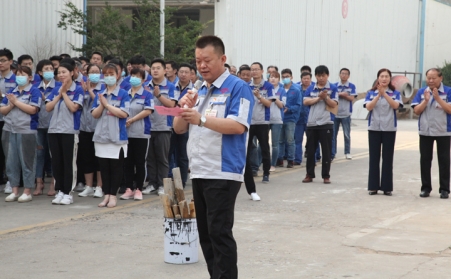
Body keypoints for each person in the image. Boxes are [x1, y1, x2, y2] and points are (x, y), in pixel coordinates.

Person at [173, 35, 253, 279]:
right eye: (198, 61)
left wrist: (201, 119)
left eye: (207, 60)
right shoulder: (198, 89)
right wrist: (183, 106)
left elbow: (238, 126)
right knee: (206, 234)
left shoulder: (238, 87)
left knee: (219, 232)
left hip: (223, 171)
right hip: (199, 170)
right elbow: (178, 128)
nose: (202, 65)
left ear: (223, 59)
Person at [91, 64, 130, 208]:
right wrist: (102, 104)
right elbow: (94, 114)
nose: (108, 77)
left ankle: (113, 195)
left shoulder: (124, 94)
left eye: (111, 74)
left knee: (116, 168)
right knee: (104, 168)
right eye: (106, 74)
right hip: (101, 137)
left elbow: (124, 114)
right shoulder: (99, 95)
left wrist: (107, 106)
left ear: (117, 75)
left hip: (117, 137)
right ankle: (106, 195)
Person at [0, 66, 41, 202]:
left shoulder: (34, 91)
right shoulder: (12, 91)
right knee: (11, 161)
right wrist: (12, 104)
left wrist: (16, 102)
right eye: (18, 74)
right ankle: (14, 190)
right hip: (9, 129)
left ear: (30, 77)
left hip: (26, 130)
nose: (20, 77)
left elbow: (33, 110)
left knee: (27, 161)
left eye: (23, 74)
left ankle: (28, 190)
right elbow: (3, 110)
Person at [46, 63, 84, 205]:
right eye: (59, 72)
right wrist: (59, 93)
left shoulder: (78, 89)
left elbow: (74, 107)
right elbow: (48, 107)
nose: (61, 75)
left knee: (69, 163)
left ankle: (68, 192)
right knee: (56, 162)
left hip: (69, 131)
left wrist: (64, 94)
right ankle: (60, 190)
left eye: (64, 72)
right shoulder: (55, 89)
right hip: (54, 130)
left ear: (72, 73)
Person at [411, 68, 451, 199]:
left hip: (443, 131)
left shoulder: (448, 91)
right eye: (429, 78)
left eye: (434, 78)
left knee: (444, 160)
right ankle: (426, 188)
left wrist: (438, 98)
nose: (431, 80)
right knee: (425, 160)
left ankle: (444, 189)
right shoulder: (422, 92)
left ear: (441, 78)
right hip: (425, 131)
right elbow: (416, 111)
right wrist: (426, 101)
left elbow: (449, 110)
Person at [364, 68, 403, 195]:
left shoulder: (395, 93)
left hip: (389, 128)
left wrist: (385, 94)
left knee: (388, 158)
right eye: (382, 76)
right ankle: (373, 187)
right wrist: (378, 95)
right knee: (374, 158)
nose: (384, 78)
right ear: (378, 78)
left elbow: (396, 106)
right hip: (374, 128)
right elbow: (369, 107)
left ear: (390, 79)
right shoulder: (371, 93)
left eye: (387, 76)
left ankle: (387, 187)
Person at [142, 58, 176, 195]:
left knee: (162, 158)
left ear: (165, 70)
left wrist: (159, 95)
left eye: (158, 68)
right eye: (153, 68)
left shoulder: (171, 86)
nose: (155, 70)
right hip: (147, 127)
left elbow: (172, 105)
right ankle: (152, 183)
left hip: (164, 127)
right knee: (150, 157)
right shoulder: (145, 85)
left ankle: (163, 184)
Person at [243, 62, 275, 201]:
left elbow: (269, 103)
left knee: (264, 148)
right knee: (247, 149)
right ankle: (249, 172)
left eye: (257, 70)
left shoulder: (267, 86)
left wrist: (259, 97)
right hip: (249, 122)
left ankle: (266, 172)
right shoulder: (247, 85)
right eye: (252, 70)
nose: (254, 72)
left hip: (262, 121)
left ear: (262, 71)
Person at [120, 68, 153, 200]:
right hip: (126, 134)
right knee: (127, 162)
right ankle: (129, 188)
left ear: (144, 80)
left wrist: (132, 119)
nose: (134, 78)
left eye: (138, 76)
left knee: (139, 162)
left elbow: (148, 110)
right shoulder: (125, 94)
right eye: (133, 75)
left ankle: (139, 188)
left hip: (141, 133)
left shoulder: (147, 94)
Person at [302, 65, 338, 184]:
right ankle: (309, 174)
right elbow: (306, 101)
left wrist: (326, 98)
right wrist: (318, 98)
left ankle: (326, 175)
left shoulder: (333, 88)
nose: (321, 78)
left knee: (326, 151)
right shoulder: (311, 88)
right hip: (312, 123)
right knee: (310, 150)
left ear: (327, 75)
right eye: (319, 76)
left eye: (323, 75)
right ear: (316, 76)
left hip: (326, 122)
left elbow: (334, 104)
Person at [77, 64, 105, 198]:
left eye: (96, 71)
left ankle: (99, 186)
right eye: (91, 72)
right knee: (86, 158)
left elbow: (101, 103)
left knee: (98, 158)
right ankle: (88, 186)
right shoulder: (81, 88)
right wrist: (84, 91)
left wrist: (90, 91)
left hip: (98, 128)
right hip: (84, 127)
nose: (94, 74)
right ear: (86, 74)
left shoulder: (104, 88)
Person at [35, 60, 60, 196]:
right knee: (39, 155)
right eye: (46, 69)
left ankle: (53, 184)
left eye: (51, 68)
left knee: (53, 155)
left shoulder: (58, 87)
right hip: (38, 125)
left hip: (54, 126)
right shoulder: (35, 87)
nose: (50, 71)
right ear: (40, 72)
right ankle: (39, 183)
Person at [167, 63, 193, 188]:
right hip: (170, 124)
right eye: (181, 72)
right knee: (169, 153)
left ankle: (182, 181)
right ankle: (169, 178)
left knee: (182, 154)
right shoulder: (172, 87)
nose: (183, 74)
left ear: (191, 74)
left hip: (185, 126)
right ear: (177, 73)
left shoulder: (194, 90)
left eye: (186, 72)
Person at [276, 69, 302, 168]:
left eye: (287, 76)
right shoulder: (280, 89)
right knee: (280, 140)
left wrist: (289, 109)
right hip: (280, 118)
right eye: (283, 77)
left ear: (291, 77)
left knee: (290, 140)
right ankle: (280, 159)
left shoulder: (296, 90)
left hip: (290, 118)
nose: (285, 78)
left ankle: (291, 160)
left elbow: (298, 105)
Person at [0, 48, 16, 192]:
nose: (0, 63)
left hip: (8, 120)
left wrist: (2, 95)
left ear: (10, 62)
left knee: (9, 152)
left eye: (3, 60)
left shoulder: (16, 79)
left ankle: (11, 181)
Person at [332, 68, 357, 160]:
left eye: (346, 74)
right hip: (335, 113)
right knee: (333, 135)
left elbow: (351, 98)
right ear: (339, 74)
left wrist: (340, 94)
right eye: (342, 73)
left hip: (346, 114)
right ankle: (332, 153)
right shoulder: (334, 85)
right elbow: (332, 96)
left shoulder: (352, 86)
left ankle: (347, 152)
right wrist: (343, 94)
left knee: (346, 134)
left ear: (348, 76)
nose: (344, 75)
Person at [268, 71, 285, 171]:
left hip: (277, 120)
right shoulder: (266, 89)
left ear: (279, 79)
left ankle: (273, 164)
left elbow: (281, 105)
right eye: (271, 77)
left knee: (275, 144)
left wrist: (274, 98)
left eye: (275, 77)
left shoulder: (282, 90)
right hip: (265, 119)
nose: (273, 79)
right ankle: (261, 163)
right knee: (263, 144)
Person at [294, 72, 312, 165]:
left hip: (311, 119)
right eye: (304, 78)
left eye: (308, 78)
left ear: (311, 79)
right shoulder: (297, 88)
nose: (306, 80)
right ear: (301, 79)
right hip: (299, 119)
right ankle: (297, 159)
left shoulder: (313, 89)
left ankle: (314, 158)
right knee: (298, 140)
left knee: (312, 140)